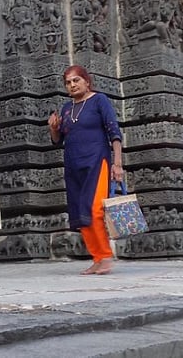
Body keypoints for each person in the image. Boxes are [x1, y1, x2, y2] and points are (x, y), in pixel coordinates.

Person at [48, 66, 124, 275]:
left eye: (76, 81)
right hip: (73, 165)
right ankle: (97, 257)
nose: (72, 85)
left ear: (86, 81)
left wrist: (117, 164)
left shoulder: (99, 100)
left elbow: (114, 133)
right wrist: (53, 129)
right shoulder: (66, 108)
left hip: (97, 162)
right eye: (68, 82)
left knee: (94, 210)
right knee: (81, 214)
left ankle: (106, 256)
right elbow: (58, 141)